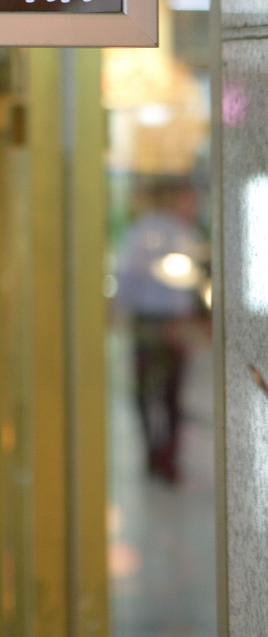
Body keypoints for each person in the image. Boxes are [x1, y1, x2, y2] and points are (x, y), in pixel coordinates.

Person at [115, 178, 205, 482]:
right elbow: (193, 282)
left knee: (146, 391)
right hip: (172, 322)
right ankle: (166, 457)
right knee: (170, 393)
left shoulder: (139, 231)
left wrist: (122, 309)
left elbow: (127, 278)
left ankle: (154, 452)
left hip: (147, 320)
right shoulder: (182, 233)